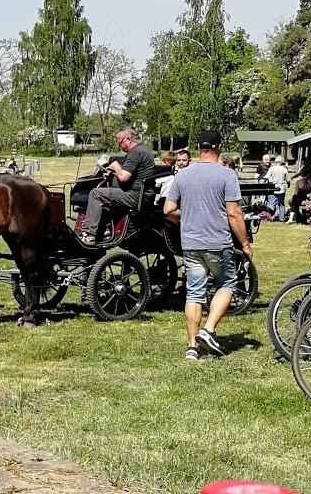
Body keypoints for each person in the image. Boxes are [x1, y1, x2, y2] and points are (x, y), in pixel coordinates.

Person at [163, 129, 253, 361]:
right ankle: (209, 329)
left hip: (190, 243)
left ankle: (192, 347)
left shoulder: (182, 174)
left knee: (193, 293)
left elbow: (168, 209)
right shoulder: (226, 175)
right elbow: (234, 213)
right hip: (217, 242)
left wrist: (190, 214)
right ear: (218, 148)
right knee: (227, 283)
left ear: (199, 148)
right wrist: (245, 243)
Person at [78, 126, 157, 246]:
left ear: (128, 139)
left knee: (96, 194)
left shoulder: (137, 152)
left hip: (137, 196)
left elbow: (124, 177)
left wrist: (116, 167)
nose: (118, 147)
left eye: (120, 143)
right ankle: (103, 229)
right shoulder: (139, 150)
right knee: (103, 193)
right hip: (136, 194)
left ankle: (89, 235)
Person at [265, 154, 289, 221]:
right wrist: (288, 184)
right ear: (282, 162)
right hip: (281, 189)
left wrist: (271, 181)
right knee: (281, 204)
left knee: (271, 203)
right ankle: (281, 218)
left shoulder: (271, 169)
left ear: (275, 162)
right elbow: (288, 180)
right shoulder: (284, 169)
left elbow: (266, 177)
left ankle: (269, 216)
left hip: (273, 188)